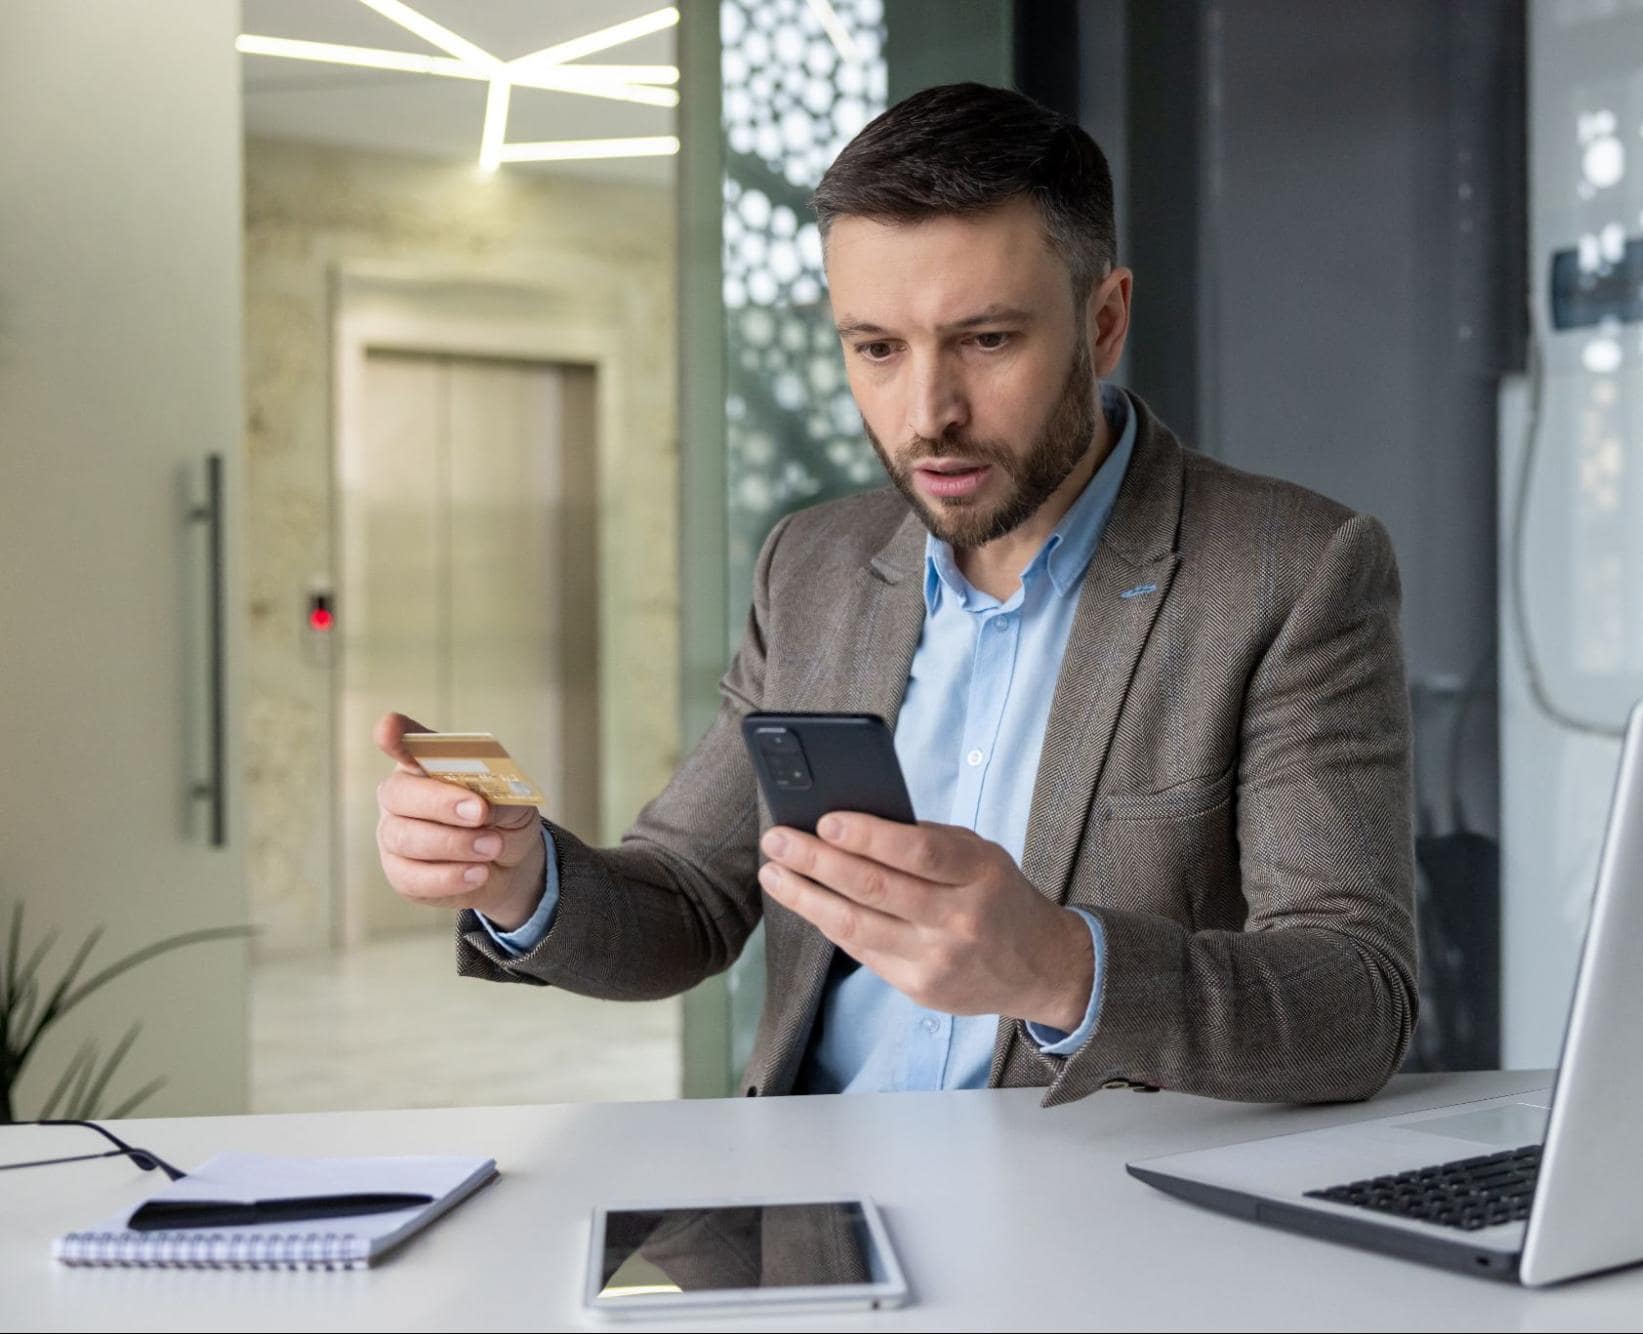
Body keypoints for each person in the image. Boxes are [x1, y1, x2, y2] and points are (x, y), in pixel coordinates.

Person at [374, 83, 1416, 1106]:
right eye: (876, 348)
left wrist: (1062, 965)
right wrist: (518, 874)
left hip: (1105, 1230)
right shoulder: (813, 567)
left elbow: (1357, 1002)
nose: (927, 414)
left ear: (1102, 323)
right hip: (819, 1199)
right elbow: (688, 898)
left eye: (986, 340)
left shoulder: (1291, 573)